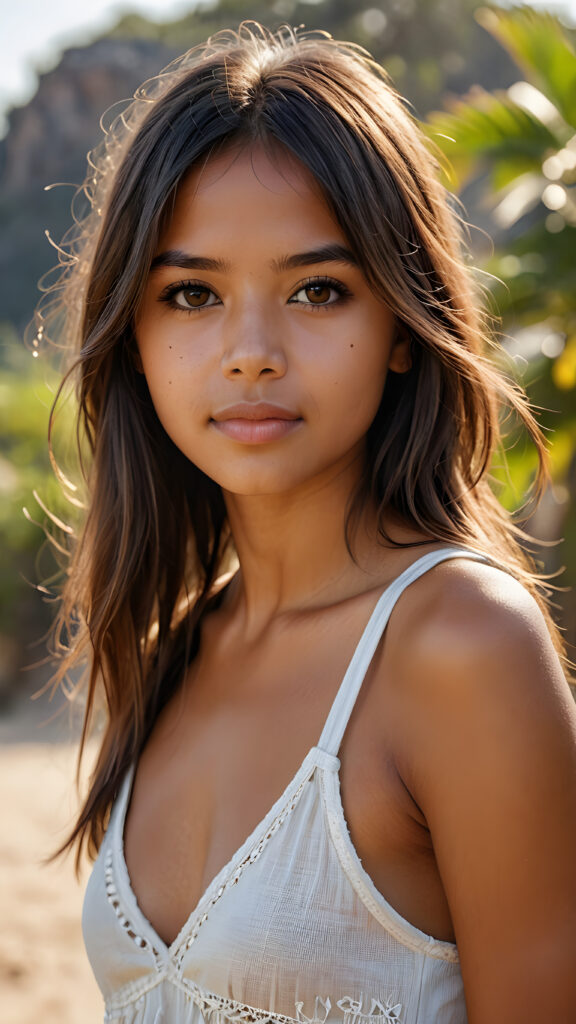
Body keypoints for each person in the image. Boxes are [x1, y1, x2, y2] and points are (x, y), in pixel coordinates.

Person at [39, 21, 576, 1024]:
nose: (250, 351)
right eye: (192, 293)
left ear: (403, 330)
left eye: (318, 290)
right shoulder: (170, 650)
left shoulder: (462, 646)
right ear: (136, 334)